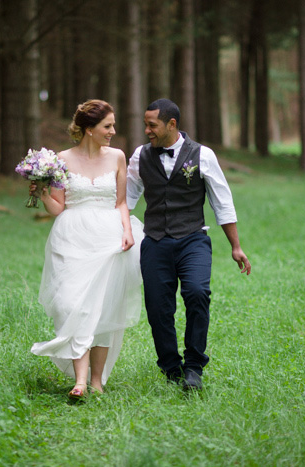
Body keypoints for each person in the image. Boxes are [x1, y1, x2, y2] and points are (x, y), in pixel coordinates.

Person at [126, 98, 251, 391]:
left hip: (193, 239)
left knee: (197, 293)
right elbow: (126, 201)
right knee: (158, 308)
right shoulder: (139, 156)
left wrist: (236, 246)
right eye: (145, 124)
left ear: (171, 124)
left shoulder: (203, 155)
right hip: (154, 241)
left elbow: (222, 201)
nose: (147, 131)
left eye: (152, 125)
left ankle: (194, 367)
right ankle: (172, 369)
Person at [30, 99, 144, 399]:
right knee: (72, 303)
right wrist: (43, 193)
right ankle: (79, 380)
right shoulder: (62, 159)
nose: (113, 131)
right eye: (107, 126)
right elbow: (59, 206)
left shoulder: (118, 157)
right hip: (71, 237)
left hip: (108, 236)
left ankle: (95, 381)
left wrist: (128, 232)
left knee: (104, 308)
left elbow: (121, 202)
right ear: (89, 129)